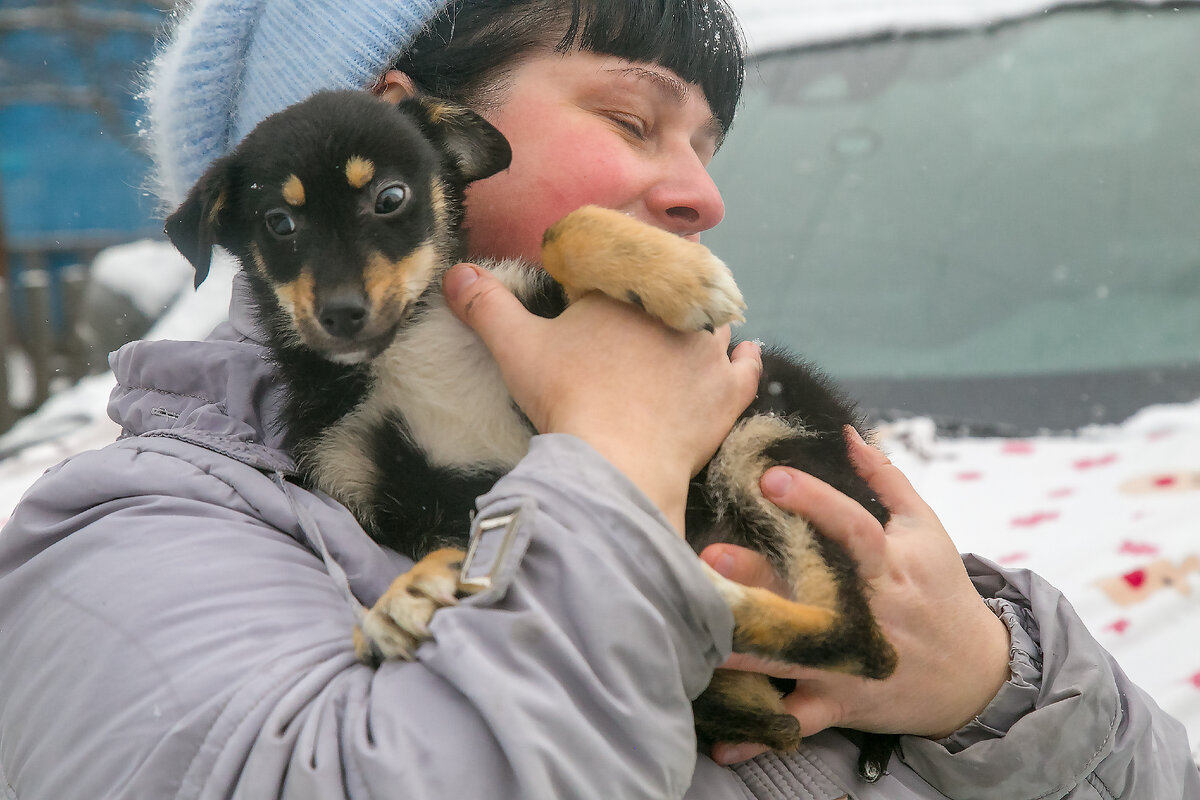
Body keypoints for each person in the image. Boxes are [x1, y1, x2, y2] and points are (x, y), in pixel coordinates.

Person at [0, 0, 1195, 797]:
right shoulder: (125, 552)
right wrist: (617, 459)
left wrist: (992, 691)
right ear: (406, 123)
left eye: (708, 146)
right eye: (633, 118)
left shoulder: (715, 426)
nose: (701, 196)